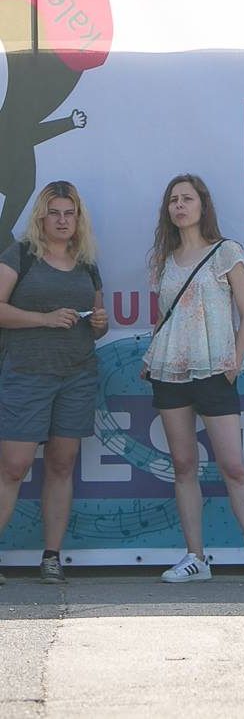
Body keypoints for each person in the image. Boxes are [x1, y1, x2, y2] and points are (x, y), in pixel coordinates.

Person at [142, 173, 244, 584]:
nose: (179, 206)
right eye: (173, 200)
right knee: (183, 465)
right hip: (169, 372)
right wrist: (153, 355)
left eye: (187, 198)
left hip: (214, 371)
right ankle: (196, 558)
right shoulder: (165, 261)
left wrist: (234, 362)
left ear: (203, 205)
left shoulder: (226, 252)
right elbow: (164, 318)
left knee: (233, 466)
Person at [0, 180, 108, 585]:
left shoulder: (87, 263)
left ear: (78, 219)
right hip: (26, 375)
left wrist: (100, 323)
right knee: (14, 467)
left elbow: (98, 323)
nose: (62, 221)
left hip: (76, 376)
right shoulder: (20, 255)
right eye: (55, 213)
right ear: (41, 217)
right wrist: (44, 319)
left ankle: (51, 556)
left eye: (69, 213)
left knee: (62, 465)